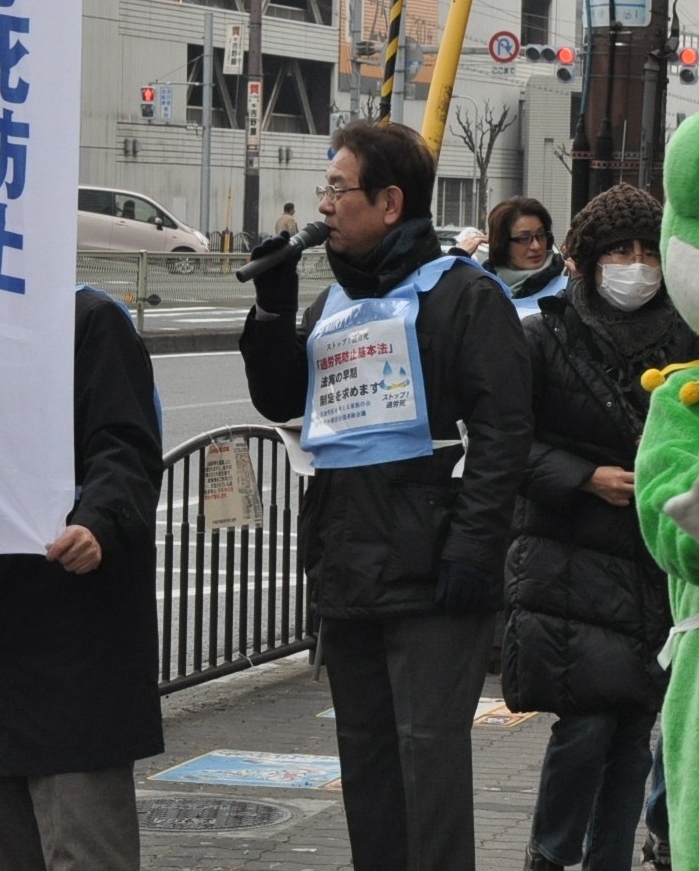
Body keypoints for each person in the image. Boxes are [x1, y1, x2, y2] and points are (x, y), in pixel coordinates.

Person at [239, 120, 533, 870]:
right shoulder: (333, 304)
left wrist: (472, 552)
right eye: (325, 189)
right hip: (349, 560)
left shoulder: (466, 297)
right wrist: (271, 309)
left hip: (434, 569)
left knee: (427, 758)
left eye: (339, 189)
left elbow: (503, 437)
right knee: (365, 760)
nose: (324, 205)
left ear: (391, 202)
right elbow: (282, 399)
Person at [502, 184, 699, 871]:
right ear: (588, 258)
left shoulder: (693, 341)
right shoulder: (542, 337)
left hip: (655, 560)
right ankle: (551, 851)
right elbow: (505, 446)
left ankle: (607, 860)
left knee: (634, 729)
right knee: (588, 722)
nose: (637, 265)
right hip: (570, 558)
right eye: (620, 250)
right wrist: (584, 477)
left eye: (649, 251)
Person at [0, 287, 165, 870]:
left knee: (83, 847)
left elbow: (126, 446)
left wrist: (98, 523)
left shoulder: (90, 318)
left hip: (73, 638)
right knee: (0, 849)